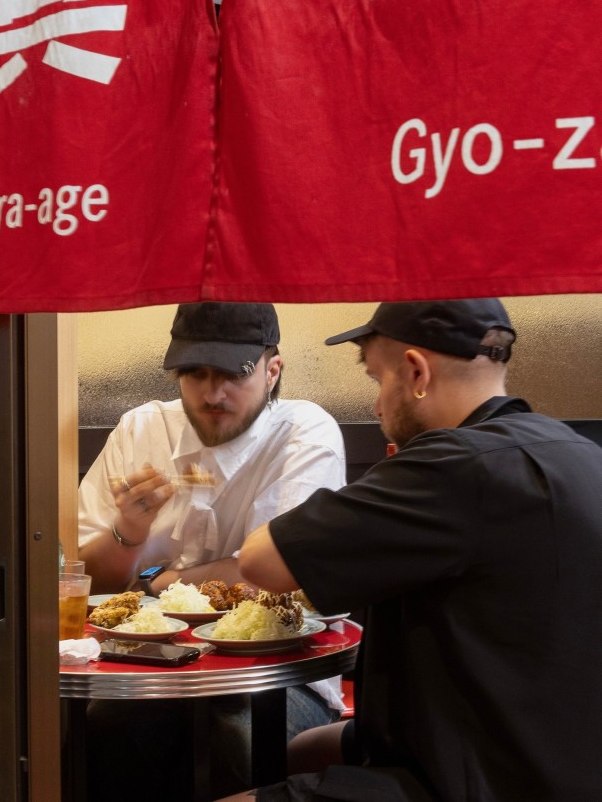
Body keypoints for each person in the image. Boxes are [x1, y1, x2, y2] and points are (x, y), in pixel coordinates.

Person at [222, 298, 602, 802]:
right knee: (301, 750)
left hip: (472, 779)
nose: (378, 407)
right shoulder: (579, 453)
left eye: (379, 381)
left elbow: (259, 561)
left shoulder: (451, 466)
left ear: (416, 372)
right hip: (543, 753)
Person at [78, 301, 347, 798]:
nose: (211, 392)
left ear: (272, 371)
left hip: (274, 675)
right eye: (194, 373)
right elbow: (91, 582)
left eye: (232, 373)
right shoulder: (141, 430)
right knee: (105, 732)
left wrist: (156, 581)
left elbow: (272, 574)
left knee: (250, 741)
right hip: (152, 667)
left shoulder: (304, 434)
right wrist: (129, 531)